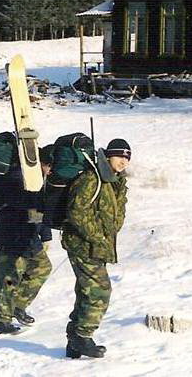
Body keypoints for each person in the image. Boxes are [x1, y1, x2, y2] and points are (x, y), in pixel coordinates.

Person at [62, 138, 130, 359]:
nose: (123, 161)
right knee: (100, 290)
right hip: (83, 245)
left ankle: (74, 342)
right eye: (119, 156)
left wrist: (105, 236)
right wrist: (97, 236)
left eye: (127, 158)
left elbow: (114, 214)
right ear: (108, 156)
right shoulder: (92, 178)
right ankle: (83, 336)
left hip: (96, 246)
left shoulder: (115, 181)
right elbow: (76, 211)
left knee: (86, 291)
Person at [0, 144, 55, 334]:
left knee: (42, 267)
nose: (51, 171)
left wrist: (45, 235)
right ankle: (1, 321)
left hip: (29, 236)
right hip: (11, 235)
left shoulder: (39, 179)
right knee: (9, 278)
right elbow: (24, 204)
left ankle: (17, 306)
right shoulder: (17, 176)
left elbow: (39, 210)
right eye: (49, 166)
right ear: (41, 163)